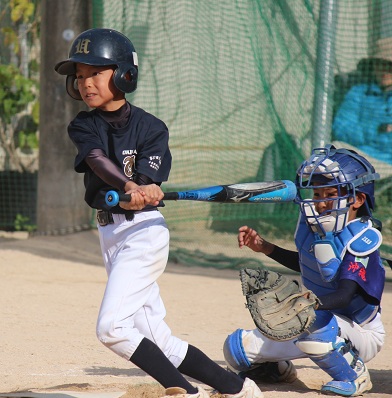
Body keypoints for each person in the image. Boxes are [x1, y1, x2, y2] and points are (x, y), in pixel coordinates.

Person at [54, 28, 264, 398]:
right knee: (157, 339)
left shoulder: (152, 128)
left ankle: (183, 390)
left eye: (96, 73)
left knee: (112, 328)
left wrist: (143, 185)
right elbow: (97, 159)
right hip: (111, 235)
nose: (86, 83)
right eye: (81, 76)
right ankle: (239, 389)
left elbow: (149, 177)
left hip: (144, 234)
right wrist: (128, 186)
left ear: (123, 75)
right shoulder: (83, 124)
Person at [223, 145, 386, 396]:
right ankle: (275, 370)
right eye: (317, 193)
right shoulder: (316, 231)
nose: (320, 203)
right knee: (236, 351)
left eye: (329, 194)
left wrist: (306, 302)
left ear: (358, 199)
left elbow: (344, 295)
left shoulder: (361, 240)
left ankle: (354, 376)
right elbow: (307, 264)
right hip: (318, 318)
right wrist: (265, 247)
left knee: (315, 323)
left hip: (360, 332)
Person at [333, 37, 392, 164]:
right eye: (379, 64)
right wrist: (376, 130)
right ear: (373, 66)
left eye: (389, 66)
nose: (384, 71)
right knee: (334, 148)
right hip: (366, 158)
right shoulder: (358, 93)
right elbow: (341, 128)